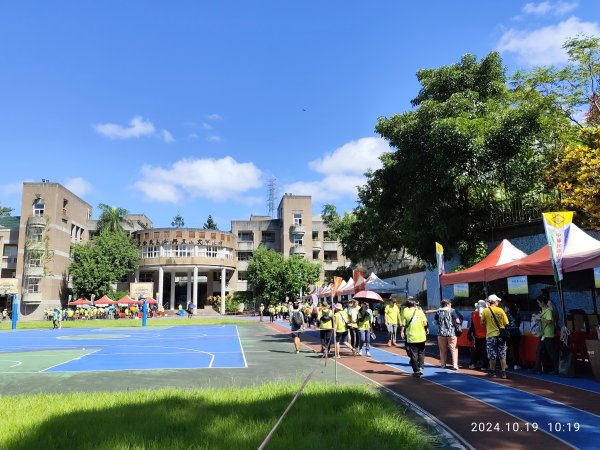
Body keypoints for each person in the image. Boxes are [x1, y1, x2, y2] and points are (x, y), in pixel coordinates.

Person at [481, 294, 509, 379]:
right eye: (497, 301)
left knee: (492, 355)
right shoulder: (500, 310)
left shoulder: (485, 311)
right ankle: (503, 373)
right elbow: (506, 323)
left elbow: (482, 323)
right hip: (501, 335)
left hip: (490, 335)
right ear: (494, 301)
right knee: (502, 354)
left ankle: (492, 372)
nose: (498, 302)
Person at [399, 298, 428, 377]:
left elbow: (403, 324)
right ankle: (421, 367)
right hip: (421, 336)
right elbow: (425, 323)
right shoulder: (420, 311)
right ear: (414, 304)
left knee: (413, 354)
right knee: (421, 353)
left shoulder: (405, 311)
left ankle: (416, 371)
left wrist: (402, 331)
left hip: (412, 336)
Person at [534, 296, 559, 375]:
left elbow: (549, 321)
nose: (538, 304)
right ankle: (537, 368)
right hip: (544, 334)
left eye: (539, 303)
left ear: (543, 302)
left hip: (548, 334)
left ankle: (556, 369)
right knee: (539, 351)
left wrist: (539, 318)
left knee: (551, 352)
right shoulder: (543, 310)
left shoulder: (548, 311)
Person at [434, 299, 461, 371]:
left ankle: (443, 364)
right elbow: (457, 321)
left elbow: (436, 322)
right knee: (454, 349)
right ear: (448, 304)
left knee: (442, 350)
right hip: (451, 333)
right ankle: (455, 365)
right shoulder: (452, 311)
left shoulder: (438, 311)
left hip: (441, 333)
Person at [468, 300, 489, 370]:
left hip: (476, 334)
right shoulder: (486, 313)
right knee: (485, 351)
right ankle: (484, 365)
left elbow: (472, 325)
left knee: (476, 350)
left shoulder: (473, 314)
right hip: (486, 334)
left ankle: (473, 363)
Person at [504, 303, 522, 370]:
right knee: (516, 349)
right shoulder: (518, 315)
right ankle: (516, 365)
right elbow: (519, 323)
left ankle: (506, 364)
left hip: (509, 333)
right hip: (517, 333)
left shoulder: (507, 315)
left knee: (507, 349)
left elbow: (505, 324)